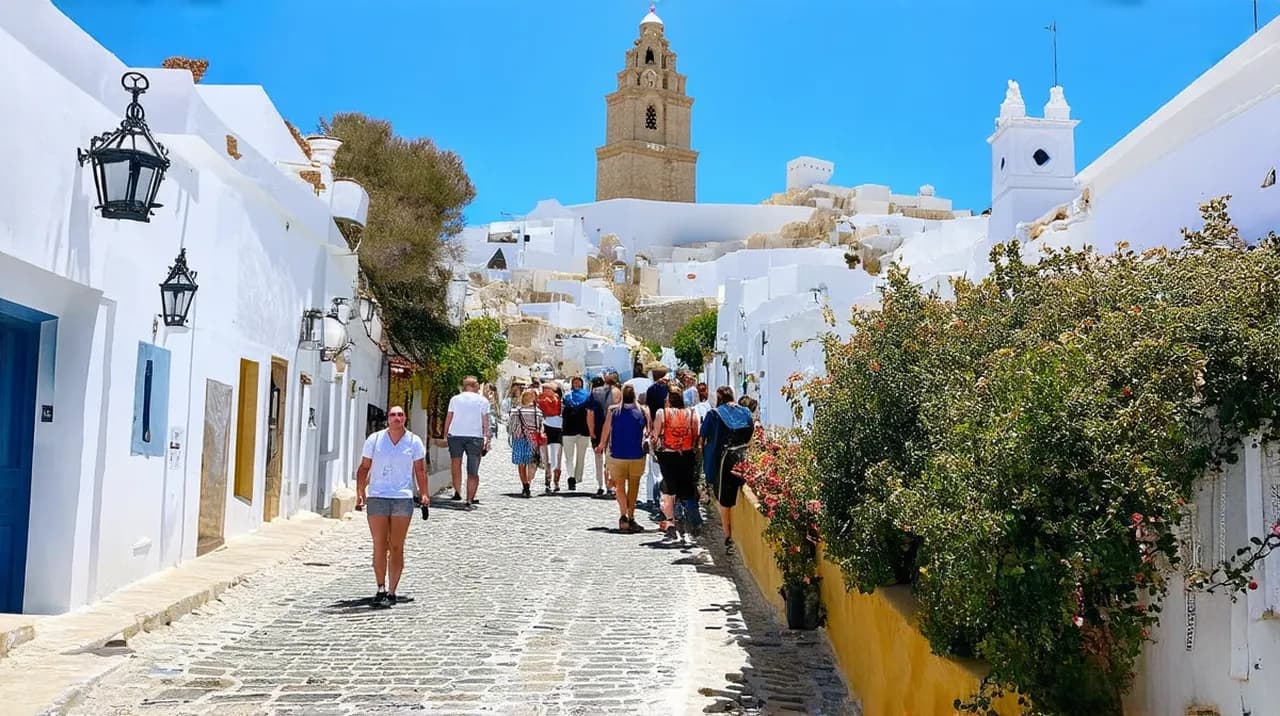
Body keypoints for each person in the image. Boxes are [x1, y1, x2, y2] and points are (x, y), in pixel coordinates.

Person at [355, 406, 427, 608]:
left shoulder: (413, 441)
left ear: (405, 418)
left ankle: (393, 590)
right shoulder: (375, 440)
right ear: (387, 418)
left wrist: (423, 493)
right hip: (378, 496)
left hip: (402, 498)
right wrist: (360, 491)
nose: (397, 418)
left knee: (396, 545)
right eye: (393, 415)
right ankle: (380, 587)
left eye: (400, 414)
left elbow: (420, 469)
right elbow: (364, 467)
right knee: (379, 543)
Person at [700, 386, 755, 555]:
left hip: (722, 460)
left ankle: (727, 535)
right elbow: (751, 431)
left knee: (724, 500)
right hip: (742, 457)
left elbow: (702, 437)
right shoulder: (745, 412)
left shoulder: (714, 414)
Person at [596, 384, 650, 533]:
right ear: (634, 396)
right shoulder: (643, 410)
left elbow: (606, 430)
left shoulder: (613, 411)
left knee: (619, 487)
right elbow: (649, 431)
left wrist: (601, 445)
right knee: (634, 487)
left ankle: (623, 515)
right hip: (636, 455)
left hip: (617, 455)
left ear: (620, 396)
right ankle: (631, 517)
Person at [652, 385, 700, 544]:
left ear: (668, 400)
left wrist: (651, 446)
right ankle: (694, 519)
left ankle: (671, 520)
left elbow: (655, 434)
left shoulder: (662, 413)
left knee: (669, 487)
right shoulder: (692, 412)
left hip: (667, 455)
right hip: (687, 455)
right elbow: (696, 434)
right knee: (687, 487)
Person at [444, 376, 491, 509]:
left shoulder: (455, 399)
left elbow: (449, 417)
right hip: (475, 437)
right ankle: (470, 499)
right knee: (473, 469)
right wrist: (487, 438)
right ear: (475, 386)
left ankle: (457, 491)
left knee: (455, 463)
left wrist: (445, 433)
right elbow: (485, 421)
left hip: (455, 435)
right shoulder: (482, 401)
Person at [642, 365, 672, 509]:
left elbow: (648, 411)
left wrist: (648, 428)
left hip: (655, 430)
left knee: (652, 468)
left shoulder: (651, 390)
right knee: (665, 467)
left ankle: (650, 496)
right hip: (670, 430)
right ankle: (662, 496)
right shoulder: (671, 390)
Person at [560, 376, 595, 492]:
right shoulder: (587, 396)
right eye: (574, 382)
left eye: (577, 382)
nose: (576, 384)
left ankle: (576, 477)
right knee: (569, 457)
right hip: (576, 430)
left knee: (580, 457)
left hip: (575, 430)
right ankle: (572, 478)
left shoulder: (567, 396)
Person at [590, 372, 622, 497]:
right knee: (611, 458)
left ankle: (600, 485)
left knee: (598, 457)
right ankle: (610, 485)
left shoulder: (595, 392)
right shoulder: (618, 393)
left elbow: (590, 413)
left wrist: (591, 430)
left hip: (598, 427)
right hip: (614, 429)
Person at [508, 388, 543, 498]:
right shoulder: (538, 412)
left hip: (519, 439)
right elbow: (541, 427)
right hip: (533, 440)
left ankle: (525, 485)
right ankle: (529, 482)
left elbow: (511, 427)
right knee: (531, 463)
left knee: (521, 464)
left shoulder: (515, 411)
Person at [536, 382, 564, 493]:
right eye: (544, 389)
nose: (545, 391)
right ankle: (547, 481)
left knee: (556, 458)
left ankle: (556, 482)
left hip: (558, 431)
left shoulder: (562, 403)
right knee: (546, 459)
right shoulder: (539, 402)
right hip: (545, 429)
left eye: (548, 389)